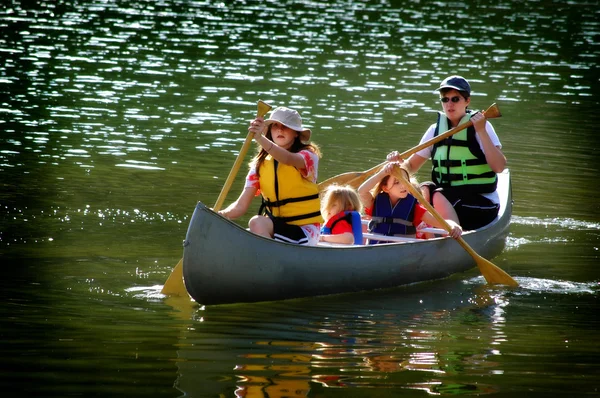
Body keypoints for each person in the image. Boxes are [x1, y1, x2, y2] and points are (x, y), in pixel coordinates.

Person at [388, 75, 507, 230]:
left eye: (455, 99)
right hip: (447, 199)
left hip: (481, 204)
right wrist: (398, 165)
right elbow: (410, 166)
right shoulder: (435, 131)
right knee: (422, 189)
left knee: (438, 194)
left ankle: (450, 235)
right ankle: (420, 232)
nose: (449, 104)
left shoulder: (482, 126)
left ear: (467, 101)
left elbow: (499, 167)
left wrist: (481, 130)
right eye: (445, 99)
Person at [218, 106, 323, 245]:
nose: (280, 130)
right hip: (277, 228)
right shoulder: (259, 165)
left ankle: (270, 261)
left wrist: (260, 138)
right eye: (275, 126)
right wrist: (220, 215)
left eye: (285, 126)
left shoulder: (308, 156)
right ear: (270, 131)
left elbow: (287, 159)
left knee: (256, 222)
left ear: (296, 133)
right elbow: (240, 207)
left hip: (305, 231)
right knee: (250, 231)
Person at [358, 162, 462, 243]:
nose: (403, 186)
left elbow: (440, 222)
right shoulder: (375, 203)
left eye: (405, 180)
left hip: (402, 251)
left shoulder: (414, 208)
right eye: (396, 182)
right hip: (377, 249)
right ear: (385, 188)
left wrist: (453, 225)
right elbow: (361, 191)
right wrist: (382, 173)